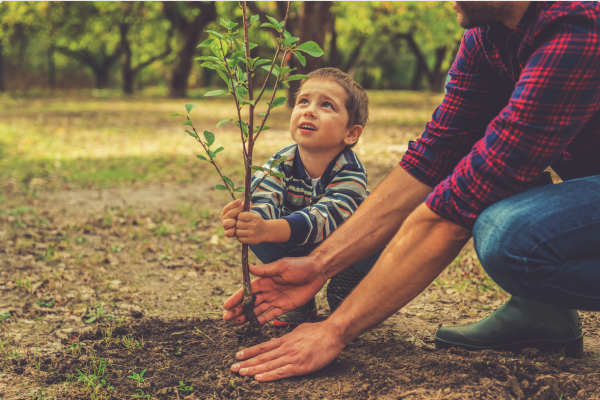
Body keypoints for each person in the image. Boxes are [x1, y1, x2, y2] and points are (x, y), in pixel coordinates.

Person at [222, 0, 600, 382]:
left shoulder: (577, 26)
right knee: (494, 169)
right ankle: (543, 313)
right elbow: (432, 159)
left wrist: (334, 330)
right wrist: (318, 264)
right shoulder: (485, 38)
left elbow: (455, 210)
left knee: (509, 235)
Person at [220, 68, 383, 327]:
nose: (309, 110)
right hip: (295, 244)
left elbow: (328, 217)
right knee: (259, 235)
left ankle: (350, 282)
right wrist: (251, 221)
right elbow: (264, 196)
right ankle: (299, 299)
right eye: (303, 101)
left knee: (379, 236)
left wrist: (272, 228)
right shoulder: (281, 161)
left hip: (344, 247)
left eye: (326, 105)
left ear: (351, 133)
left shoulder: (351, 170)